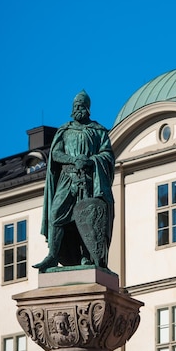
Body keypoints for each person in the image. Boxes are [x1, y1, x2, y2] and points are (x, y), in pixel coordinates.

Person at [33, 90, 115, 272]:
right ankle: (52, 256)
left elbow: (107, 155)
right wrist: (72, 160)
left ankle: (87, 257)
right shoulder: (64, 130)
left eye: (81, 106)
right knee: (56, 215)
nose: (78, 109)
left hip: (88, 179)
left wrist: (91, 161)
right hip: (67, 178)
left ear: (88, 108)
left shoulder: (98, 131)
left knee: (86, 218)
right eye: (75, 106)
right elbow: (55, 153)